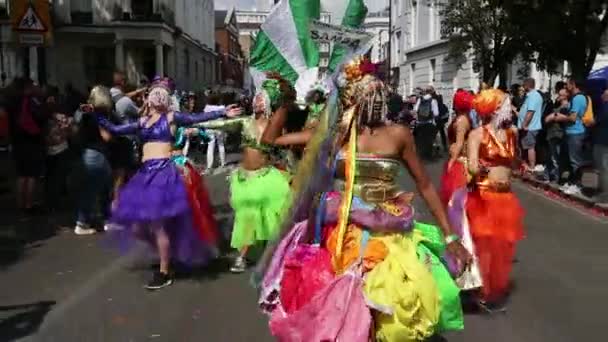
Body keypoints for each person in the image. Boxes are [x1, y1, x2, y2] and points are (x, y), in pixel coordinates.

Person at [256, 60, 471, 340]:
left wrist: (452, 238)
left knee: (389, 306)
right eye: (368, 96)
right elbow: (270, 140)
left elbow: (426, 186)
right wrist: (285, 103)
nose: (375, 102)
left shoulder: (398, 135)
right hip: (342, 230)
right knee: (344, 305)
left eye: (378, 95)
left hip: (388, 230)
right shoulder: (337, 136)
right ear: (352, 100)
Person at [99, 77, 241, 290]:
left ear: (167, 99)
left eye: (162, 93)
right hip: (145, 175)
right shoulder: (143, 122)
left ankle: (165, 271)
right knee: (138, 227)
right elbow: (116, 129)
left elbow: (196, 118)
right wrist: (95, 114)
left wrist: (221, 112)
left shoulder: (172, 118)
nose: (158, 96)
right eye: (154, 92)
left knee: (157, 225)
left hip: (163, 175)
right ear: (148, 97)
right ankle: (168, 252)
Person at [199, 75, 293, 273]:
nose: (258, 101)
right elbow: (220, 125)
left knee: (272, 218)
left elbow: (283, 149)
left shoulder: (275, 125)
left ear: (269, 102)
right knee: (247, 217)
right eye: (256, 98)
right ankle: (244, 256)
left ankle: (273, 255)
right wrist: (195, 124)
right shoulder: (244, 122)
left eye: (262, 98)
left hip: (268, 177)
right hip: (246, 178)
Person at [465, 88, 525, 311]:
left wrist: (517, 166)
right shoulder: (477, 134)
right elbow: (471, 165)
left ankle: (492, 289)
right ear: (492, 109)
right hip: (484, 195)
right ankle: (482, 290)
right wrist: (476, 168)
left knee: (502, 245)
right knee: (485, 245)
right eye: (503, 104)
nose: (508, 108)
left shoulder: (512, 133)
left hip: (505, 197)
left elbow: (513, 161)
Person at [73, 86, 114, 235]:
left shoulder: (83, 113)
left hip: (86, 154)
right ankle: (83, 223)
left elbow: (75, 130)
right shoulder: (98, 115)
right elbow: (107, 137)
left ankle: (103, 220)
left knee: (95, 189)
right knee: (96, 190)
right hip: (96, 154)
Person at [7, 78, 48, 214]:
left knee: (21, 175)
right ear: (28, 87)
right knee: (31, 175)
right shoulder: (31, 100)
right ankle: (29, 205)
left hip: (17, 141)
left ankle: (20, 204)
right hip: (31, 140)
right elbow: (41, 116)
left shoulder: (12, 100)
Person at [439, 89, 474, 205]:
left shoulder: (461, 120)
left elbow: (459, 142)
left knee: (457, 198)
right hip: (458, 158)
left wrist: (452, 161)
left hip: (460, 160)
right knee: (457, 198)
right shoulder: (462, 117)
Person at [554, 79, 587, 195]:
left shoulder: (578, 98)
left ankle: (577, 185)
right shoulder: (575, 98)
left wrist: (561, 117)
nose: (565, 86)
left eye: (567, 84)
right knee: (567, 159)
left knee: (575, 161)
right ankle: (570, 182)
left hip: (576, 133)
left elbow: (573, 118)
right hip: (570, 133)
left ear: (573, 85)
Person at [44, 102, 74, 212]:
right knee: (58, 177)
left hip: (48, 151)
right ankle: (55, 203)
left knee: (50, 178)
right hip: (61, 149)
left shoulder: (44, 118)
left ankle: (50, 202)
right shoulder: (63, 118)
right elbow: (68, 133)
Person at [543, 84, 568, 183]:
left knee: (556, 157)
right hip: (552, 133)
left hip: (558, 134)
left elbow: (562, 118)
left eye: (561, 95)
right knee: (551, 156)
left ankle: (557, 178)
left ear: (566, 96)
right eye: (559, 94)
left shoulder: (566, 107)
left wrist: (554, 115)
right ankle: (550, 176)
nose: (558, 96)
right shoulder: (557, 105)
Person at [518, 78, 544, 172]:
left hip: (530, 127)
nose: (523, 87)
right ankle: (527, 165)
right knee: (527, 146)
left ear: (527, 85)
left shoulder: (533, 96)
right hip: (529, 126)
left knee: (530, 147)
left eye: (524, 85)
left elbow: (530, 112)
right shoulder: (530, 96)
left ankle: (531, 167)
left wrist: (524, 125)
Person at [413, 86, 440, 160]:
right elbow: (436, 113)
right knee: (431, 140)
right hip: (429, 123)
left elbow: (415, 110)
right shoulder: (433, 101)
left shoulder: (420, 99)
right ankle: (430, 156)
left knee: (420, 140)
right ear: (432, 92)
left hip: (420, 123)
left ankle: (420, 156)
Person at [593, 89, 608, 203]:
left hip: (603, 141)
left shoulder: (605, 108)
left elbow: (595, 121)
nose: (602, 95)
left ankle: (605, 195)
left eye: (604, 94)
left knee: (603, 168)